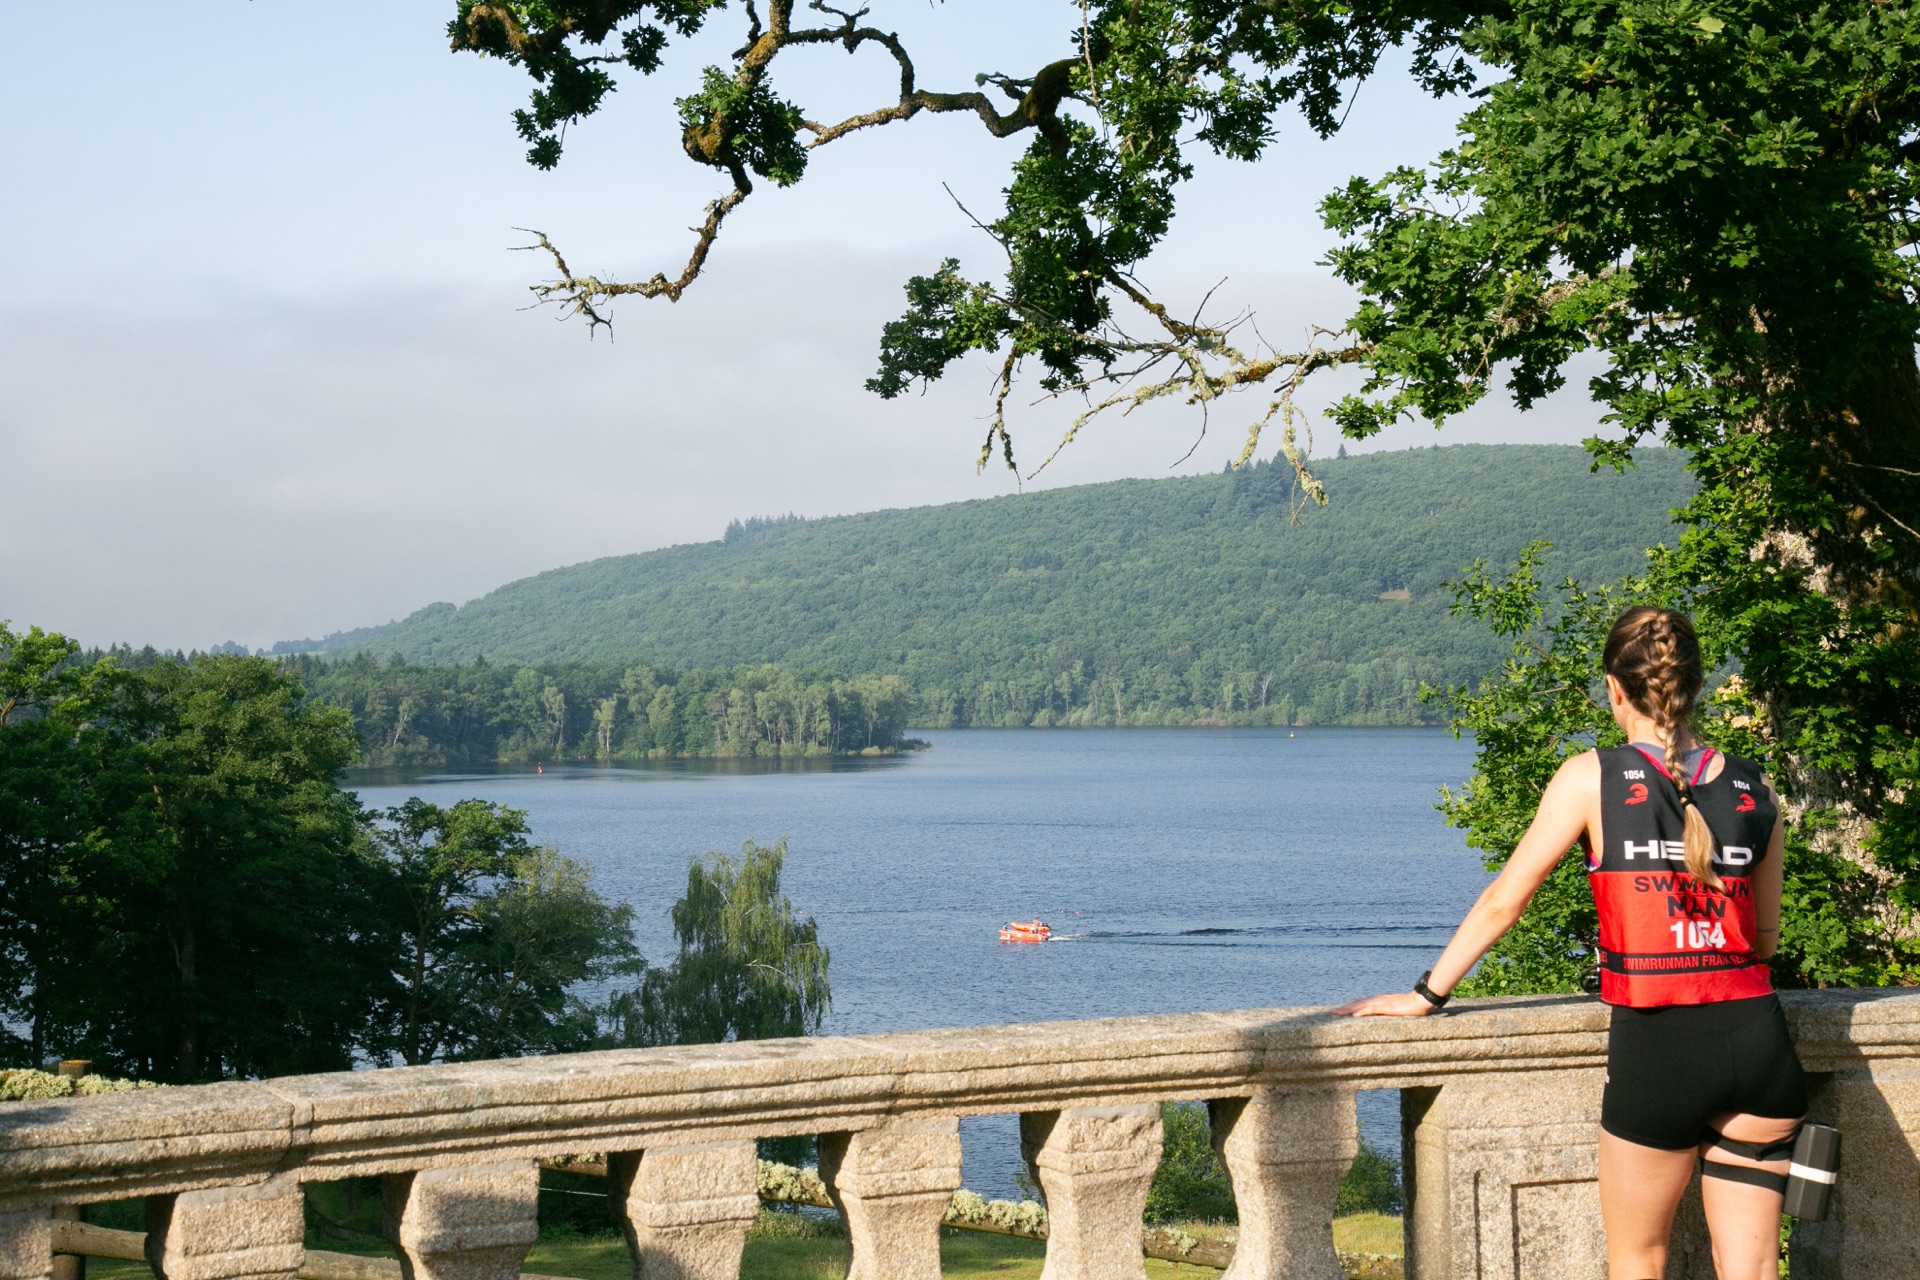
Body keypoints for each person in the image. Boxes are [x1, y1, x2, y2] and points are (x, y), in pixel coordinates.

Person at [1333, 607, 1806, 1280]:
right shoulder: (1756, 787)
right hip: (1759, 1043)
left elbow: (1506, 901)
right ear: (1697, 687)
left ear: (1615, 689)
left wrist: (1426, 995)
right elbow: (1763, 938)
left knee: (1639, 1258)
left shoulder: (1593, 777)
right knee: (1753, 1269)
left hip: (1659, 1043)